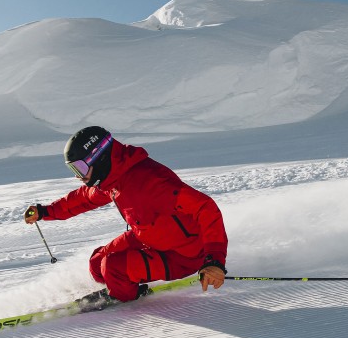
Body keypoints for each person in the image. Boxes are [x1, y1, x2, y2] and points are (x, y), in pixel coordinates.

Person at [24, 126, 228, 302]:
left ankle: (123, 297)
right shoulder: (113, 179)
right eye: (73, 170)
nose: (78, 177)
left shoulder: (150, 182)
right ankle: (123, 285)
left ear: (99, 157)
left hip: (183, 254)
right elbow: (84, 198)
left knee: (113, 267)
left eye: (80, 168)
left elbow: (206, 208)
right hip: (149, 236)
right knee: (97, 263)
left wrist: (214, 261)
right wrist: (44, 212)